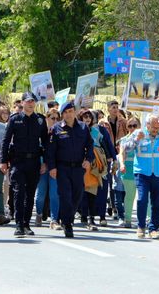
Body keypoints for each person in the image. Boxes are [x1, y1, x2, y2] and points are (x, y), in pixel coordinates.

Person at [0, 92, 49, 238]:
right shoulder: (15, 119)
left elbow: (46, 142)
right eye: (27, 101)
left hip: (34, 162)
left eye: (32, 101)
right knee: (18, 192)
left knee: (30, 194)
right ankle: (19, 225)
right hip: (18, 162)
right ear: (22, 103)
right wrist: (3, 160)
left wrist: (46, 162)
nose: (30, 104)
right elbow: (6, 140)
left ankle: (26, 224)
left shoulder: (40, 120)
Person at [46, 101, 94, 238]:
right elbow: (51, 151)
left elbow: (90, 146)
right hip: (62, 168)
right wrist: (52, 167)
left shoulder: (83, 128)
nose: (68, 114)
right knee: (65, 195)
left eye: (70, 111)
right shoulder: (56, 129)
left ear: (74, 112)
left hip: (78, 167)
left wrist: (88, 159)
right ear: (62, 114)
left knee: (78, 195)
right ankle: (67, 224)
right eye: (65, 112)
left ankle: (66, 216)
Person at [121, 114, 159, 239]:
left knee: (157, 202)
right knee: (142, 199)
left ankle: (153, 229)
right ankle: (141, 226)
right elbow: (125, 148)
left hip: (158, 173)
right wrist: (136, 140)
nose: (156, 130)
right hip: (142, 173)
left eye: (158, 127)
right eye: (153, 127)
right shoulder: (138, 133)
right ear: (147, 125)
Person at [79, 110, 116, 230]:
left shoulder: (98, 130)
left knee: (94, 189)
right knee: (81, 190)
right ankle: (82, 215)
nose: (87, 119)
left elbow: (107, 144)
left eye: (90, 116)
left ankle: (93, 217)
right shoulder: (76, 130)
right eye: (85, 116)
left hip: (96, 163)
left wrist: (113, 158)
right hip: (79, 163)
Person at [34, 108, 61, 230]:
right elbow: (38, 150)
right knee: (40, 194)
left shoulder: (60, 132)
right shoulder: (41, 132)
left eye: (57, 118)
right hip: (43, 166)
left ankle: (54, 219)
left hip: (55, 167)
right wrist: (42, 163)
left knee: (54, 193)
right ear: (47, 118)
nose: (55, 121)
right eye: (52, 118)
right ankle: (39, 213)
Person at [113, 118, 141, 228]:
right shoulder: (124, 140)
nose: (132, 128)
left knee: (144, 197)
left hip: (142, 170)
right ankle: (128, 219)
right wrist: (122, 164)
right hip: (128, 171)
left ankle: (146, 219)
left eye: (135, 125)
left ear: (139, 126)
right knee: (129, 196)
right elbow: (121, 154)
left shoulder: (144, 139)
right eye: (130, 126)